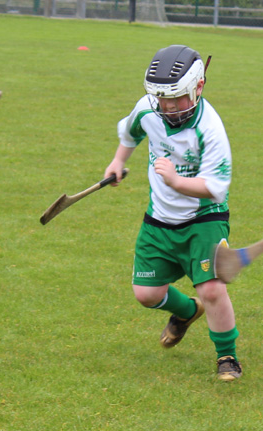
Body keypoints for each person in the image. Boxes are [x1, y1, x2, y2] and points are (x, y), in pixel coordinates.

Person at [104, 45, 242, 381]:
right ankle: (186, 312)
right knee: (146, 294)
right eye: (162, 99)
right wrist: (118, 162)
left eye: (176, 98)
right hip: (160, 217)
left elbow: (215, 187)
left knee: (211, 288)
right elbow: (131, 132)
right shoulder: (149, 109)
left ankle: (227, 356)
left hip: (204, 218)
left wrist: (176, 181)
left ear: (198, 87)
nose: (168, 107)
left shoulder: (211, 130)